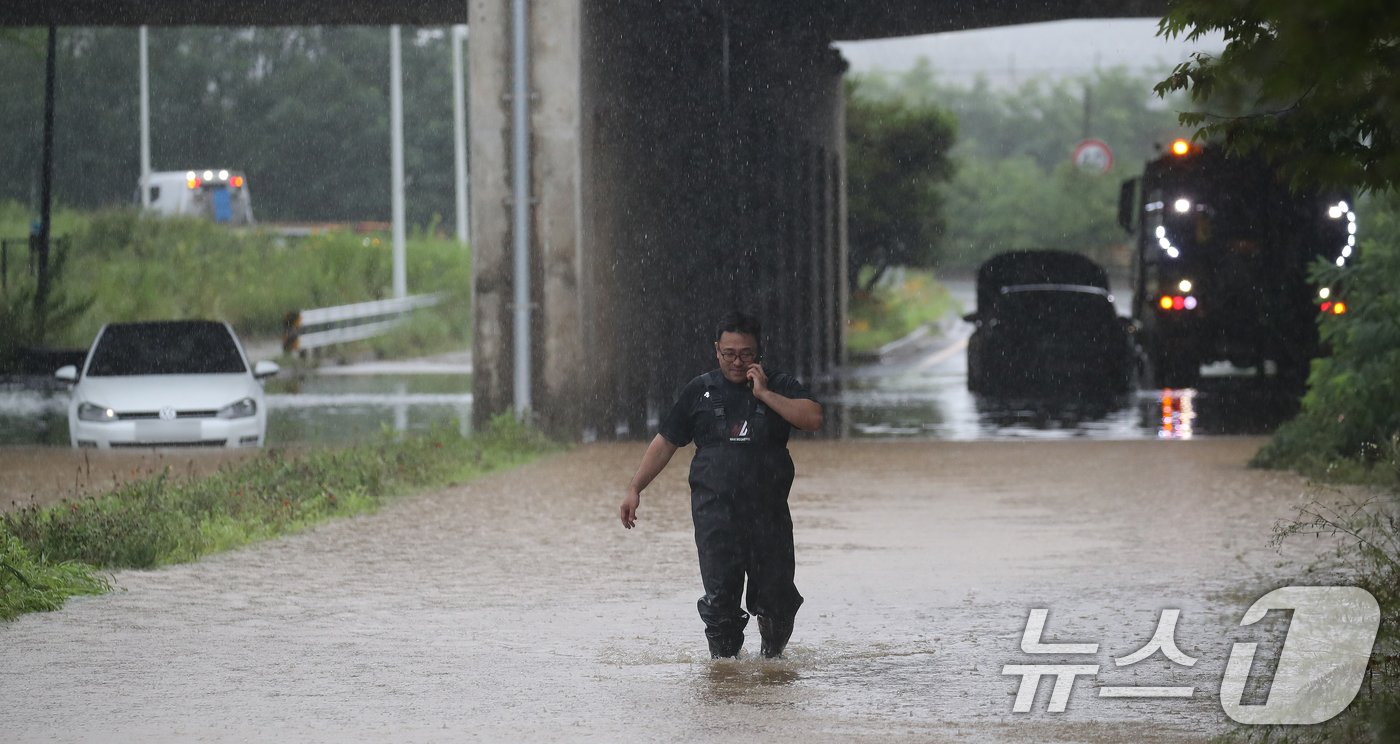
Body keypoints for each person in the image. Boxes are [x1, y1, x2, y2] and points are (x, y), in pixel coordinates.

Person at [620, 311, 824, 659]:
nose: (736, 361)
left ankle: (772, 662)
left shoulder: (780, 385)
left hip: (769, 516)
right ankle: (725, 672)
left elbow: (814, 418)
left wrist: (764, 394)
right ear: (716, 350)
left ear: (759, 353)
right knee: (720, 603)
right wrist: (635, 487)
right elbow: (666, 442)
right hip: (715, 516)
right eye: (729, 353)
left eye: (746, 353)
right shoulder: (699, 391)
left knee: (777, 601)